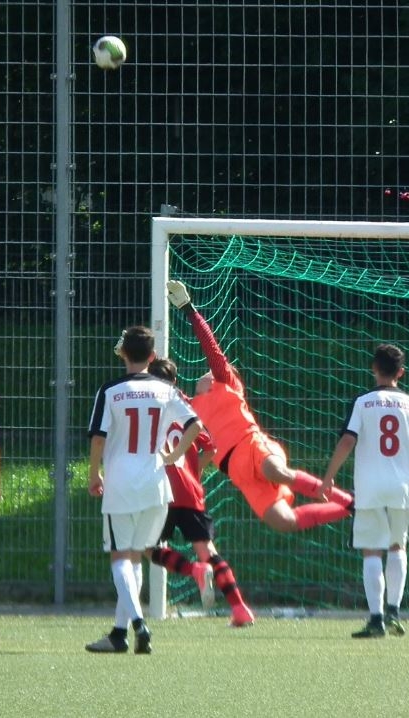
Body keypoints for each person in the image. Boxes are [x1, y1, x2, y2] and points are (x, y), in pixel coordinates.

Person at [166, 280, 354, 532]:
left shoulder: (225, 383)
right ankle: (356, 507)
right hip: (238, 472)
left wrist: (189, 309)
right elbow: (158, 384)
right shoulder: (189, 407)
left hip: (252, 446)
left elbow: (211, 349)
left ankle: (344, 498)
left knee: (275, 470)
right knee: (284, 522)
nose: (210, 371)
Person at [85, 326, 204, 654]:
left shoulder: (111, 390)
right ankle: (119, 633)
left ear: (123, 352)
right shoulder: (166, 390)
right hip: (155, 482)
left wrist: (94, 473)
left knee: (120, 557)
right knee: (135, 556)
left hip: (122, 482)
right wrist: (174, 457)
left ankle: (138, 623)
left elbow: (98, 437)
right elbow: (195, 426)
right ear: (152, 357)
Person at [321, 343, 409, 638]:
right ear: (401, 372)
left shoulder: (363, 402)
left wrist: (328, 477)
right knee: (398, 546)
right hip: (401, 486)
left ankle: (376, 620)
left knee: (371, 549)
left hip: (370, 486)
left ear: (373, 368)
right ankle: (395, 611)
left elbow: (347, 440)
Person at [146, 357, 255, 627]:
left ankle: (194, 570)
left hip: (161, 488)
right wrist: (193, 471)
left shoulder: (146, 405)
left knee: (147, 547)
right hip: (190, 489)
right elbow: (211, 448)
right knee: (208, 550)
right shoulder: (186, 405)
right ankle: (240, 608)